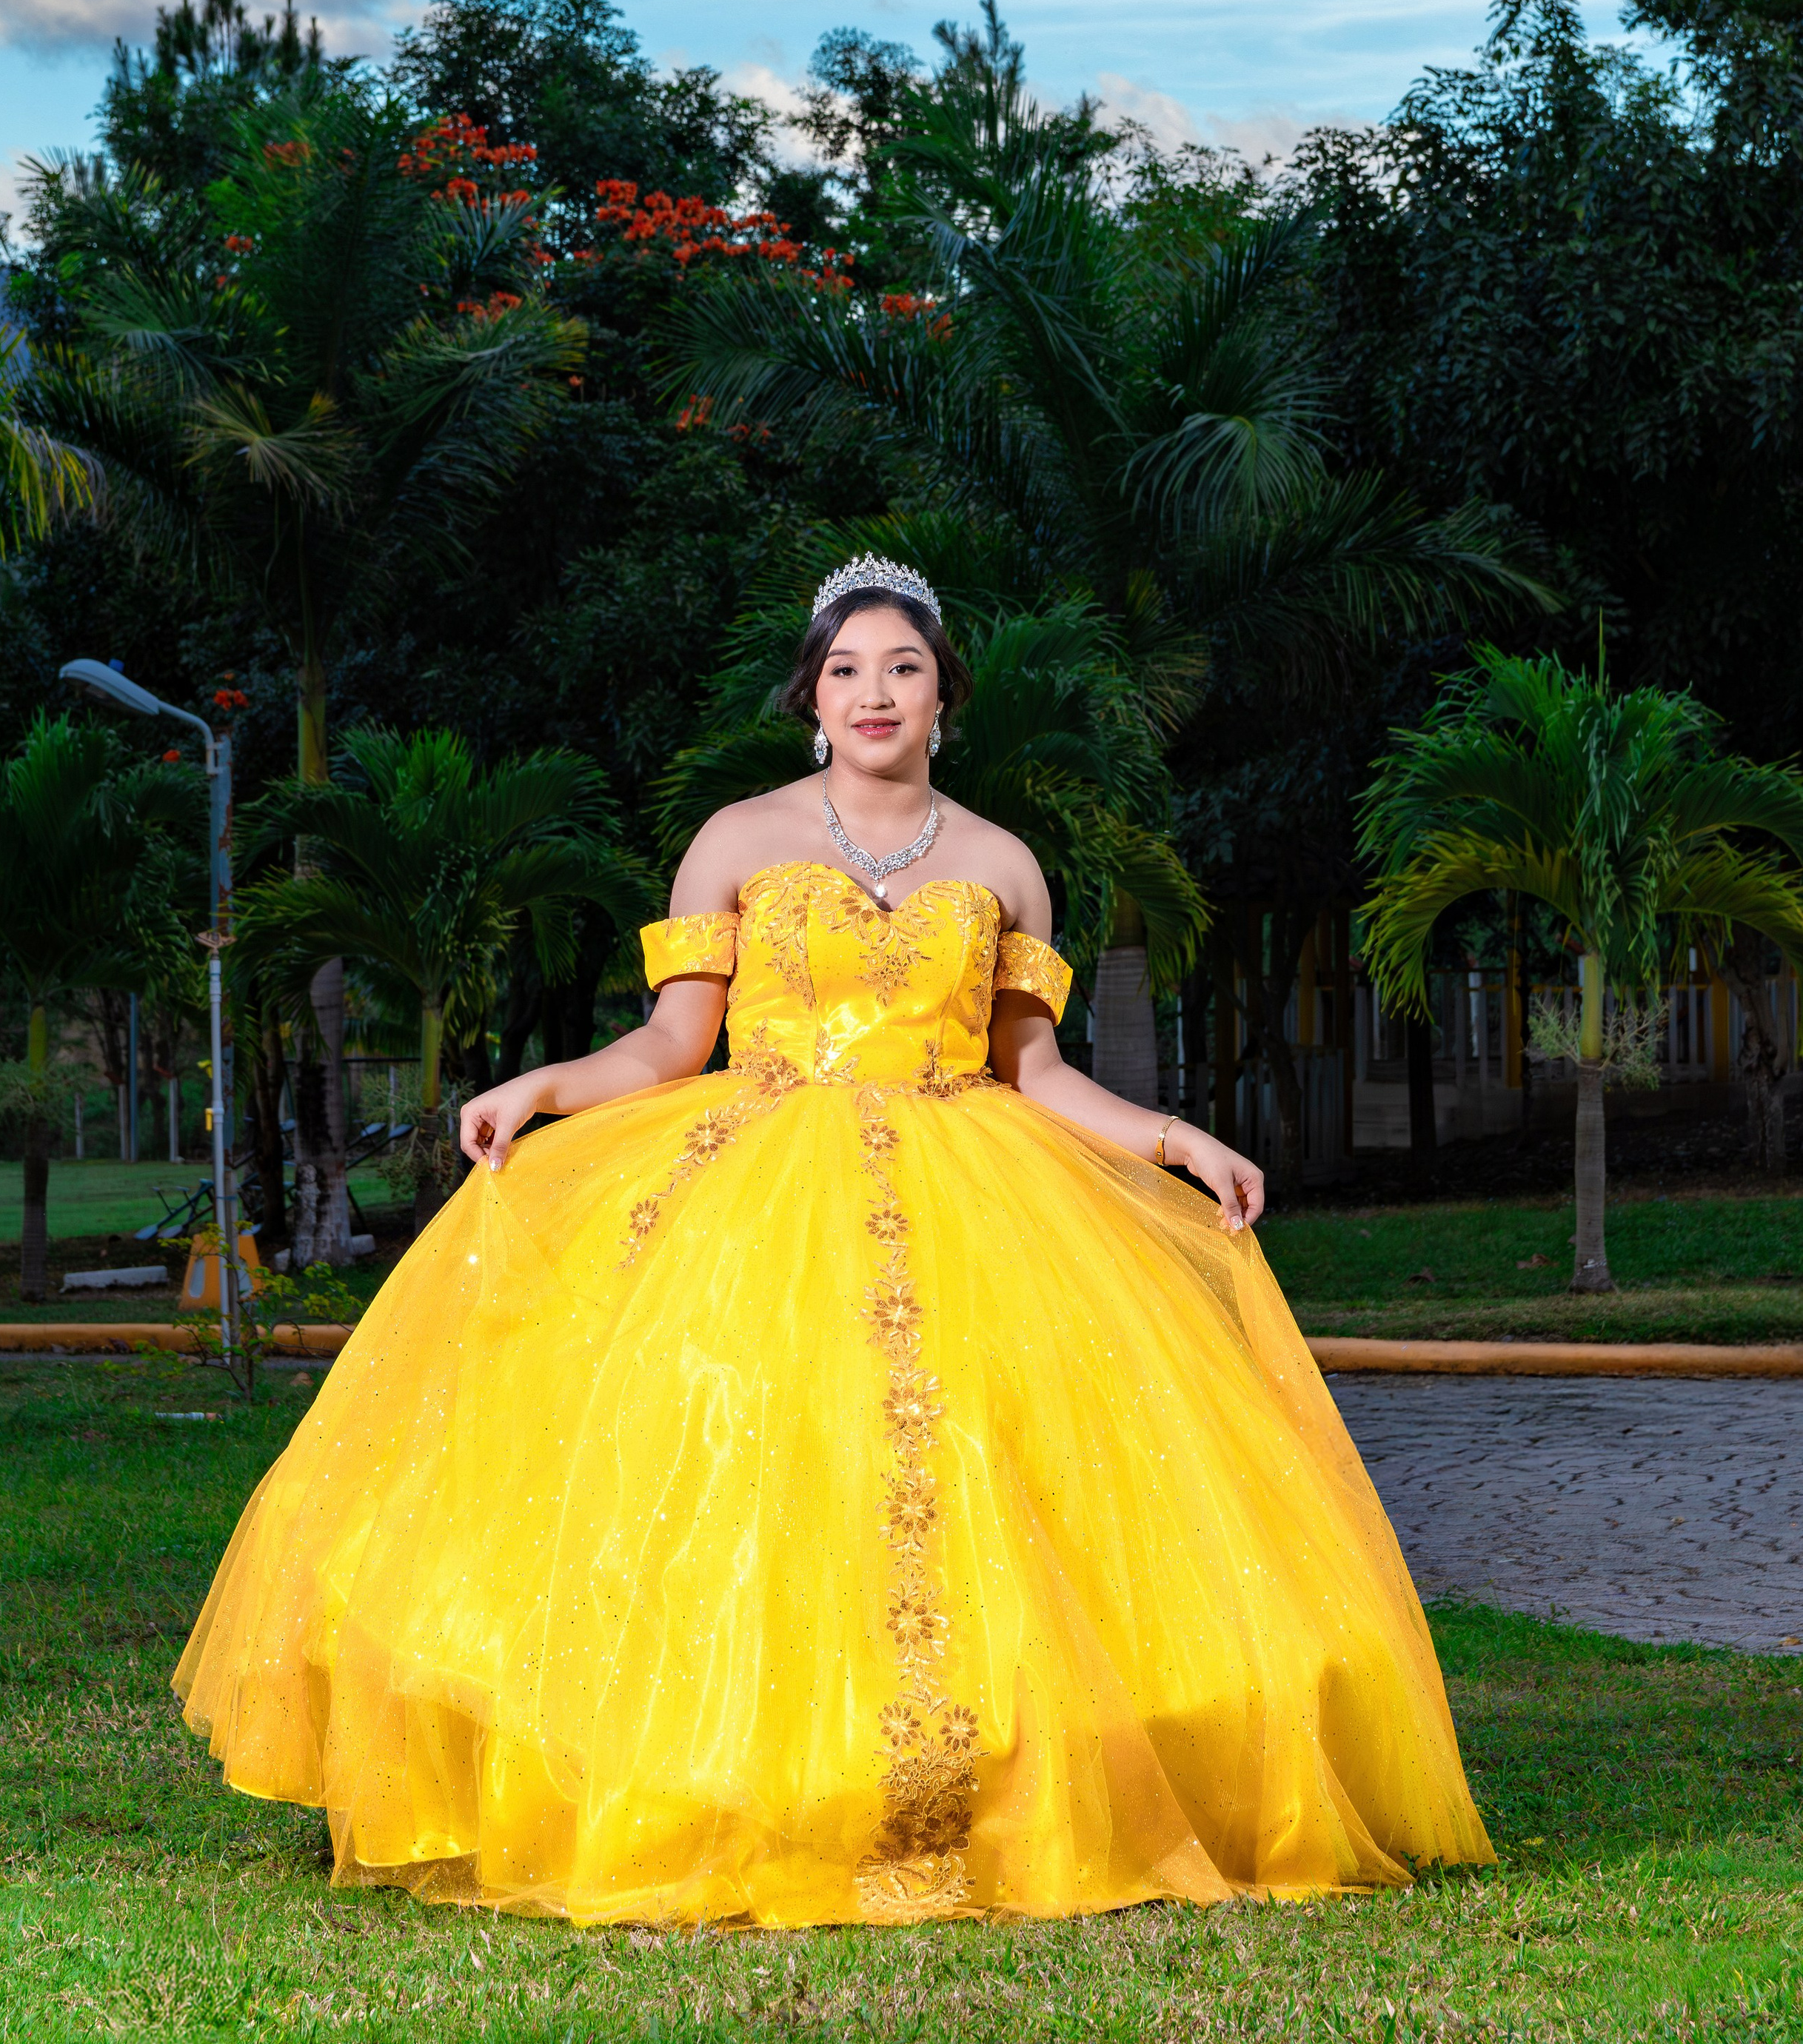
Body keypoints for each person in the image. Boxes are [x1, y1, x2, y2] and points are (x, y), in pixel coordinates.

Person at [177, 554, 1493, 1923]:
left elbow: (1034, 1073)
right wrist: (542, 1088)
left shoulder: (1003, 867)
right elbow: (673, 1044)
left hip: (975, 1195)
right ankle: (734, 1776)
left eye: (904, 669)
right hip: (757, 1194)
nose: (876, 693)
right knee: (748, 1472)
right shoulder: (737, 841)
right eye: (849, 669)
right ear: (813, 696)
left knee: (1004, 1482)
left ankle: (999, 1782)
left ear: (943, 699)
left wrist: (1174, 1139)